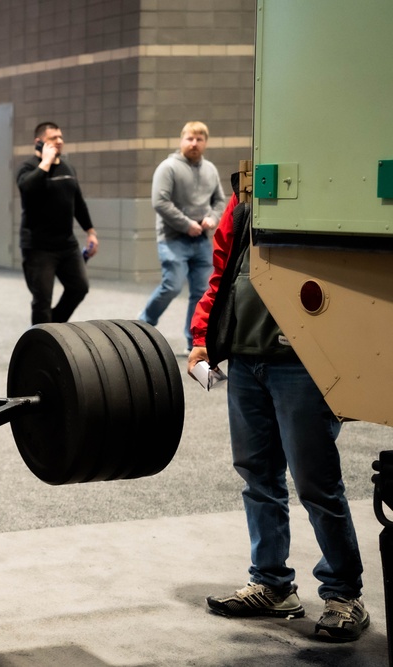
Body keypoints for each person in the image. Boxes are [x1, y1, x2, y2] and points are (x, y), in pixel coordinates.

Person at [190, 178, 368, 641]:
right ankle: (272, 585)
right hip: (247, 358)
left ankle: (343, 594)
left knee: (316, 482)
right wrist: (201, 336)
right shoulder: (246, 196)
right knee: (257, 475)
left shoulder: (326, 187)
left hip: (305, 364)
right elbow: (223, 271)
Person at [140, 121, 225, 351]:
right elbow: (160, 202)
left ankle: (194, 341)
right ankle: (142, 326)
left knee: (201, 292)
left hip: (201, 240)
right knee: (172, 286)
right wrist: (187, 224)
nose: (194, 143)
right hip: (172, 238)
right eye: (189, 138)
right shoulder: (168, 167)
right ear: (181, 141)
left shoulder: (211, 170)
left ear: (205, 143)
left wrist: (213, 219)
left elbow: (220, 201)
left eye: (199, 139)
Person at [15, 122, 98, 325]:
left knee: (79, 287)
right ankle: (39, 350)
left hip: (66, 245)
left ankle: (51, 329)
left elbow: (78, 202)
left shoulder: (68, 168)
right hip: (38, 248)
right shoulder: (28, 168)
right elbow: (27, 188)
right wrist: (45, 163)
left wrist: (90, 231)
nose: (60, 141)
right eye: (53, 138)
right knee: (42, 300)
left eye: (61, 137)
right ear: (39, 142)